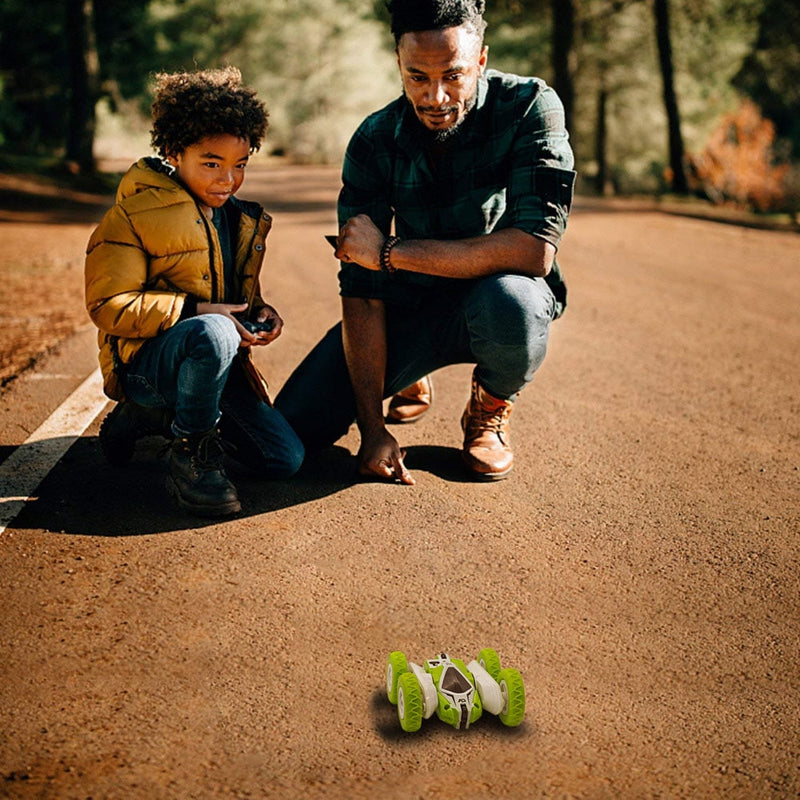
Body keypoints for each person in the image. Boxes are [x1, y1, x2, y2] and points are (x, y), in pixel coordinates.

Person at [275, 0, 575, 484]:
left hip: (493, 297)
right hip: (409, 303)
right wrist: (371, 429)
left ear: (480, 61)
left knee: (513, 302)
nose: (435, 97)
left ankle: (489, 408)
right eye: (417, 77)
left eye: (453, 76)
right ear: (398, 64)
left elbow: (533, 251)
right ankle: (411, 368)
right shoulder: (374, 140)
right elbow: (361, 290)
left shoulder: (528, 107)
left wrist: (390, 253)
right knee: (286, 435)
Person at [85, 67, 303, 517]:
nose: (228, 180)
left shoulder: (240, 218)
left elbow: (233, 295)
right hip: (147, 368)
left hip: (212, 363)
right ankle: (189, 451)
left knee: (284, 459)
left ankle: (157, 420)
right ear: (173, 152)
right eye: (211, 163)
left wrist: (259, 312)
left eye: (239, 165)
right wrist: (201, 312)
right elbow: (108, 306)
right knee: (214, 333)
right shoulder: (132, 215)